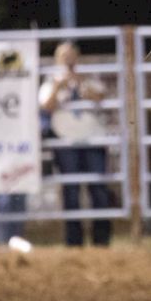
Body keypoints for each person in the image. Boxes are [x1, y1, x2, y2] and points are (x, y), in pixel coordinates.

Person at [39, 41, 114, 247]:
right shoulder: (50, 82)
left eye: (71, 56)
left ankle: (101, 240)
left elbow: (100, 97)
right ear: (57, 60)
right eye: (64, 57)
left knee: (98, 189)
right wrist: (57, 86)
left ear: (78, 58)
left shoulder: (89, 78)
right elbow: (46, 106)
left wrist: (81, 83)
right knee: (70, 191)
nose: (68, 61)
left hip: (93, 139)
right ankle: (74, 242)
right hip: (65, 142)